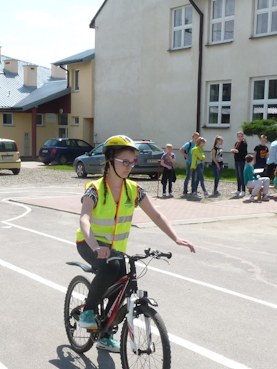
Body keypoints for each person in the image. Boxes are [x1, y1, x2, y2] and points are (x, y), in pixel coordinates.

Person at [77, 135, 195, 352]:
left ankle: (105, 334)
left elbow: (156, 215)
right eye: (124, 162)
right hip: (89, 243)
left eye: (132, 162)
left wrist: (176, 238)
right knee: (112, 267)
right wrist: (95, 246)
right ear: (110, 160)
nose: (129, 167)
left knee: (123, 278)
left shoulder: (134, 190)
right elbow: (84, 219)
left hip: (115, 250)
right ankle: (88, 311)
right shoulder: (95, 188)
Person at [181, 131, 199, 195]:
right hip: (189, 162)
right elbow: (181, 150)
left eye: (197, 138)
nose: (196, 139)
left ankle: (193, 190)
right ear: (192, 138)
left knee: (194, 177)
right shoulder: (189, 144)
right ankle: (185, 190)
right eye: (195, 138)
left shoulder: (198, 145)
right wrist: (186, 156)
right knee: (188, 176)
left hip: (195, 162)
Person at [232, 131, 248, 197]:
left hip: (241, 161)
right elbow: (236, 151)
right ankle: (238, 189)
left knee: (241, 175)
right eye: (239, 136)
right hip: (236, 160)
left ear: (243, 136)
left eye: (241, 136)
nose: (240, 137)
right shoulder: (237, 143)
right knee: (238, 175)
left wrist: (238, 151)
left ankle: (243, 190)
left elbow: (244, 153)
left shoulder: (244, 143)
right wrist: (234, 151)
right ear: (237, 137)